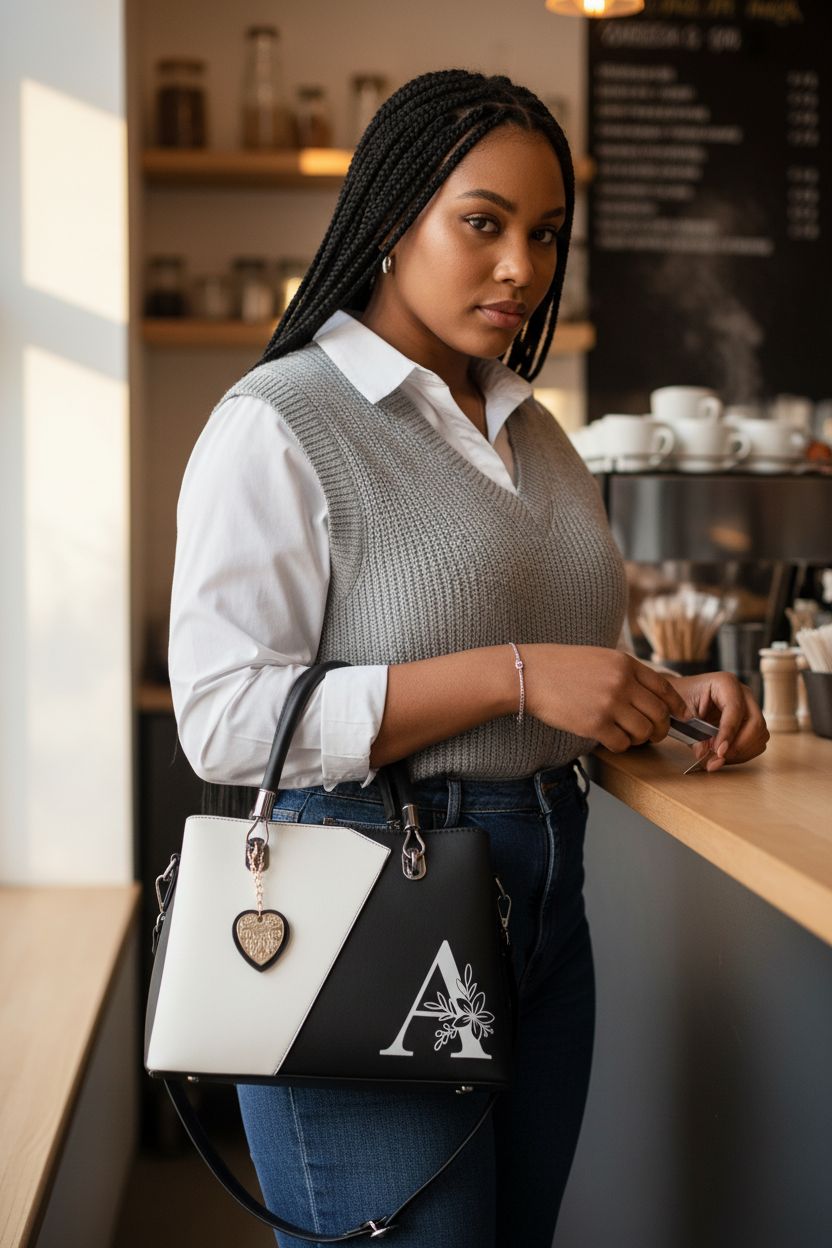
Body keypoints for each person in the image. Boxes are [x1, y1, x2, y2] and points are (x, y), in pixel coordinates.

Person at [168, 68, 768, 1248]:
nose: (522, 270)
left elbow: (555, 640)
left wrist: (656, 679)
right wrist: (517, 674)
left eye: (544, 235)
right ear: (392, 219)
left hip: (547, 900)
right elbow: (227, 719)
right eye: (481, 224)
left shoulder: (530, 426)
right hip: (360, 910)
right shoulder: (281, 421)